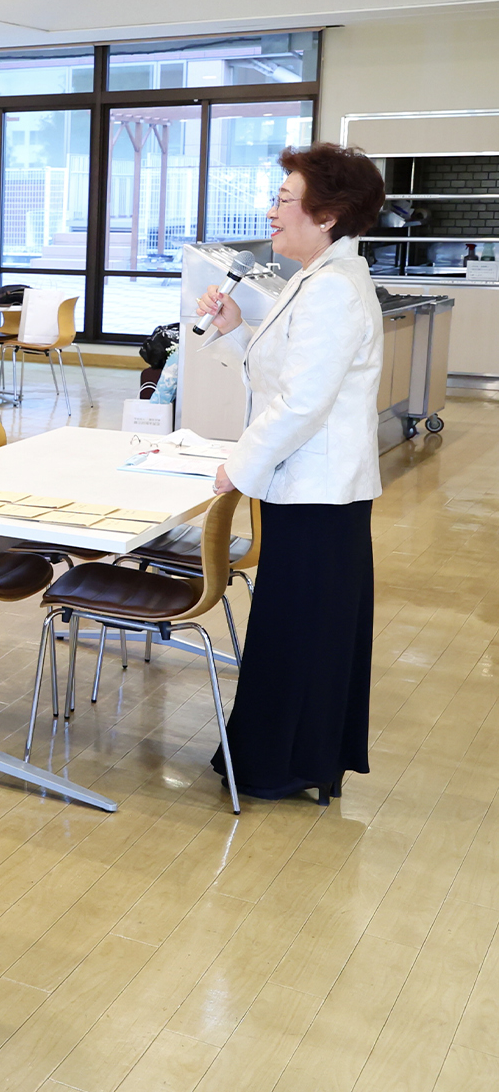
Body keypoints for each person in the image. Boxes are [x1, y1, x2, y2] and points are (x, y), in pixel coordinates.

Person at [197, 142, 386, 805]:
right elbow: (293, 366)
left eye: (283, 199)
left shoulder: (333, 287)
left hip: (318, 492)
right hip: (307, 486)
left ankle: (283, 763)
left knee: (302, 631)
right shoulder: (317, 277)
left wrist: (236, 468)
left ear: (326, 213)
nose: (271, 211)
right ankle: (284, 756)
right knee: (298, 628)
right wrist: (235, 328)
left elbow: (302, 400)